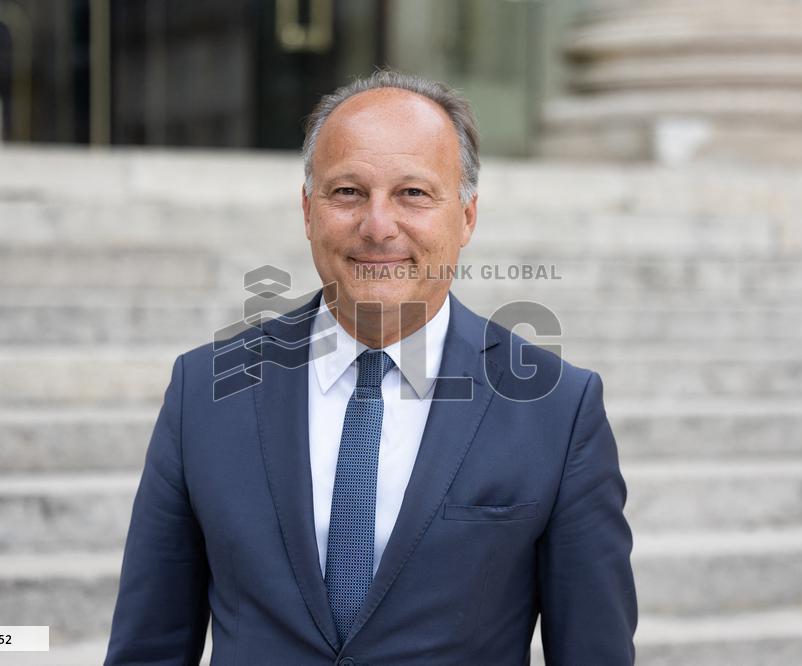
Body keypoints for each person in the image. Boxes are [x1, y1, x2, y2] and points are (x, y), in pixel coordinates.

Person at [105, 70, 637, 665]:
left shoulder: (556, 409)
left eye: (413, 193)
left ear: (467, 217)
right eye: (348, 193)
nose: (378, 226)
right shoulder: (206, 392)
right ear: (308, 211)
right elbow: (148, 647)